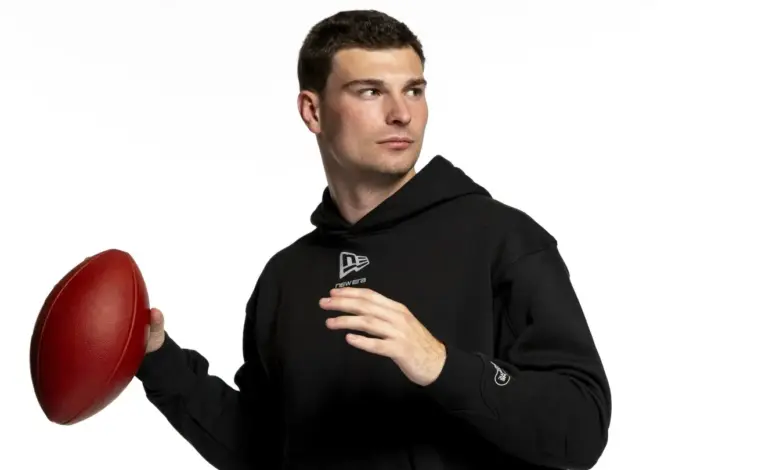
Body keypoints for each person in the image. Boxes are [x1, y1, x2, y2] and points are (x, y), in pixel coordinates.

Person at [136, 9, 612, 470]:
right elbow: (262, 449)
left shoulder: (502, 240)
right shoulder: (287, 276)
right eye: (370, 91)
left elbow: (582, 425)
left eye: (414, 90)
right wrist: (157, 358)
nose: (401, 114)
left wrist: (441, 364)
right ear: (313, 111)